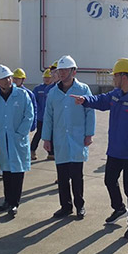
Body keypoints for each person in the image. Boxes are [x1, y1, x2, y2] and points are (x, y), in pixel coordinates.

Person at [72, 58, 128, 240]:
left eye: (115, 76)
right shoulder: (116, 94)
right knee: (109, 180)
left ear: (123, 76)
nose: (113, 79)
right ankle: (119, 208)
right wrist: (85, 100)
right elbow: (101, 101)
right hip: (115, 150)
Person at [42, 55, 95, 220]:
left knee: (77, 176)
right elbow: (48, 116)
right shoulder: (53, 92)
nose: (62, 73)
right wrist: (46, 138)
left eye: (65, 70)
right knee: (62, 176)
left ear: (74, 71)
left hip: (77, 138)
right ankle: (65, 206)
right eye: (60, 70)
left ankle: (80, 205)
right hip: (60, 139)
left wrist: (89, 134)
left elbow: (90, 112)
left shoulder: (83, 89)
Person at [0, 65, 34, 217]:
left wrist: (20, 133)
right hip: (2, 139)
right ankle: (7, 200)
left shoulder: (22, 95)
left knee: (17, 171)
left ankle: (14, 203)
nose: (7, 81)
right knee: (6, 170)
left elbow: (29, 115)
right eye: (3, 79)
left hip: (17, 139)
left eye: (8, 77)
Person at [30, 68, 52, 160]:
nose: (46, 79)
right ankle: (32, 150)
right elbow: (34, 101)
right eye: (45, 77)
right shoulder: (38, 89)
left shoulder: (54, 89)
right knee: (39, 134)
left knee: (51, 135)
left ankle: (51, 153)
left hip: (51, 117)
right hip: (41, 117)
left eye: (48, 77)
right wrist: (39, 111)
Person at [43, 61, 60, 161]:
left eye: (55, 72)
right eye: (51, 72)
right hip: (53, 122)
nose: (52, 75)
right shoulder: (49, 89)